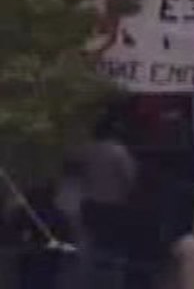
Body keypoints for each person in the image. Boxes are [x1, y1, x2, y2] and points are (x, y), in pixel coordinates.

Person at [78, 116, 138, 289]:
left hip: (90, 204)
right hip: (114, 206)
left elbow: (81, 173)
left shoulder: (87, 150)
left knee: (93, 246)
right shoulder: (119, 151)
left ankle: (91, 282)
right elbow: (131, 177)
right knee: (115, 250)